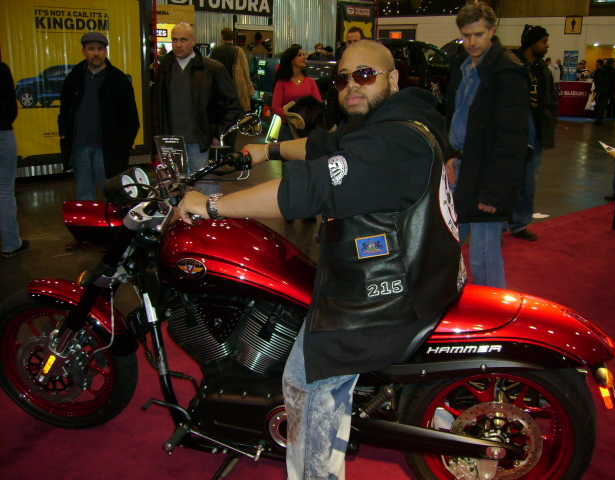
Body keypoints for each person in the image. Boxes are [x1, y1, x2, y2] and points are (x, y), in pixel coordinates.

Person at [178, 39, 465, 480]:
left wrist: (213, 205)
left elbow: (310, 187)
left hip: (386, 293)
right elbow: (325, 144)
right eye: (342, 78)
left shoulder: (392, 140)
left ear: (392, 78)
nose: (352, 86)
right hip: (419, 269)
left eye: (364, 75)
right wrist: (268, 150)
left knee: (304, 380)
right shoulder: (397, 119)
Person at [445, 2, 529, 288]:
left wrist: (494, 192)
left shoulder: (508, 72)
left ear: (492, 31)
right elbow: (452, 116)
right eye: (466, 35)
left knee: (483, 257)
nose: (471, 42)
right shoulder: (461, 66)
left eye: (478, 34)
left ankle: (494, 312)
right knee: (445, 246)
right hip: (459, 170)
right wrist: (449, 155)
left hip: (487, 175)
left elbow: (512, 139)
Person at [58, 32, 140, 250]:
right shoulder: (75, 77)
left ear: (105, 51)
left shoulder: (118, 79)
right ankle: (84, 235)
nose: (96, 53)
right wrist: (64, 133)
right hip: (80, 146)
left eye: (100, 49)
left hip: (107, 149)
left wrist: (121, 146)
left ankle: (110, 236)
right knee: (83, 194)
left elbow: (131, 119)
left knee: (110, 193)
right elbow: (64, 109)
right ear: (84, 51)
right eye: (91, 49)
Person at [153, 23, 242, 195]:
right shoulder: (164, 71)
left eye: (183, 40)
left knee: (206, 193)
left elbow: (232, 103)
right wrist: (157, 144)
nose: (178, 45)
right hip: (171, 145)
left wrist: (219, 133)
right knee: (174, 194)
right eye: (174, 40)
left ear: (194, 41)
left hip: (201, 144)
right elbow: (157, 110)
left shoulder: (213, 69)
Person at [508, 26, 557, 241]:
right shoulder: (511, 65)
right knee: (506, 183)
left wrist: (550, 124)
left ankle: (519, 224)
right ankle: (497, 227)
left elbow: (551, 101)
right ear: (531, 43)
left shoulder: (543, 70)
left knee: (528, 185)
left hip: (536, 137)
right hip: (512, 137)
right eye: (543, 41)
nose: (547, 45)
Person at [1, 47, 29, 258]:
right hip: (2, 133)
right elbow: (11, 107)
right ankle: (10, 244)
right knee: (4, 192)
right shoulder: (1, 69)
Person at [271, 45, 322, 141]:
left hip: (308, 129)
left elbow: (318, 103)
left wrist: (308, 117)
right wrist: (293, 118)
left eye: (303, 55)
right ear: (291, 60)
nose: (303, 57)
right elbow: (276, 107)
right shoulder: (282, 83)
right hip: (288, 129)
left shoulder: (310, 81)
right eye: (299, 55)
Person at [325, 26, 366, 129]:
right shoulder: (338, 66)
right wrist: (330, 120)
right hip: (342, 119)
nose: (352, 44)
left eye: (355, 41)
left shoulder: (369, 65)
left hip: (364, 118)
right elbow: (332, 95)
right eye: (349, 42)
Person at [209, 28, 255, 113]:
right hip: (235, 91)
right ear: (232, 37)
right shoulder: (239, 51)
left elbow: (209, 70)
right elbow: (245, 71)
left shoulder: (216, 51)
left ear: (222, 37)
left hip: (219, 91)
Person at [592, 58, 615, 125]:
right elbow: (613, 82)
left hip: (599, 90)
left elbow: (595, 79)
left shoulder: (599, 70)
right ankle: (599, 119)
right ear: (612, 63)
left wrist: (597, 88)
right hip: (607, 91)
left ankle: (597, 117)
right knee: (603, 105)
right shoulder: (612, 71)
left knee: (599, 104)